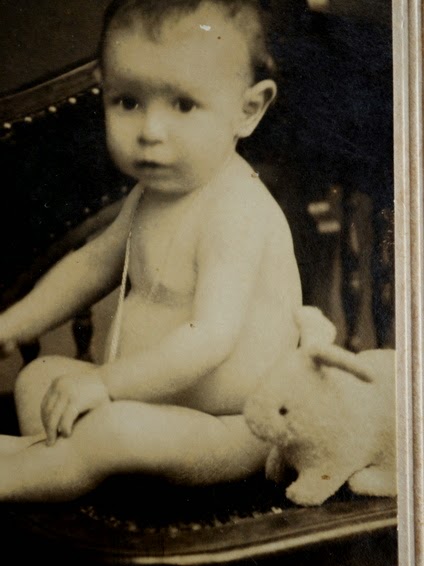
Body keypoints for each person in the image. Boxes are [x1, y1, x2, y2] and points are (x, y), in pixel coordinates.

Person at [0, 0, 302, 501]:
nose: (150, 132)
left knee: (113, 429)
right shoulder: (151, 196)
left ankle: (30, 469)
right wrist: (13, 324)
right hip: (152, 409)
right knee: (40, 378)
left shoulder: (237, 209)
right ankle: (55, 464)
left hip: (234, 429)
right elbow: (90, 265)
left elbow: (209, 339)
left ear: (248, 110)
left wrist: (107, 385)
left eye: (183, 105)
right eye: (127, 102)